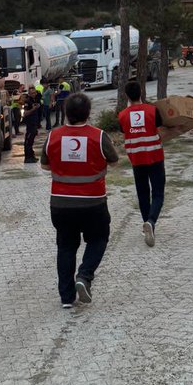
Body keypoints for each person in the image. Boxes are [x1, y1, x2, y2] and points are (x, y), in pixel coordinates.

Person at [40, 92, 119, 308]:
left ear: (65, 113)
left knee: (65, 246)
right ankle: (84, 276)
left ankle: (66, 298)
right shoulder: (99, 136)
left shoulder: (53, 136)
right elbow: (114, 161)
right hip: (93, 202)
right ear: (88, 113)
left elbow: (45, 165)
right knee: (99, 238)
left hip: (60, 203)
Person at [118, 80, 166, 247]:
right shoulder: (152, 110)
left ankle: (147, 222)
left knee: (143, 194)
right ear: (141, 93)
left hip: (136, 160)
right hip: (155, 157)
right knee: (158, 193)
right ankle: (151, 222)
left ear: (127, 96)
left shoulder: (122, 115)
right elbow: (161, 126)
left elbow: (123, 130)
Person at [22, 88, 42, 162]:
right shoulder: (28, 102)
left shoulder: (34, 100)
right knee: (28, 140)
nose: (34, 94)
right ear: (29, 94)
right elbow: (25, 113)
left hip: (34, 123)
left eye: (35, 93)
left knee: (31, 140)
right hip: (30, 123)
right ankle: (28, 157)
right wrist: (33, 109)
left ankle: (31, 155)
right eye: (32, 93)